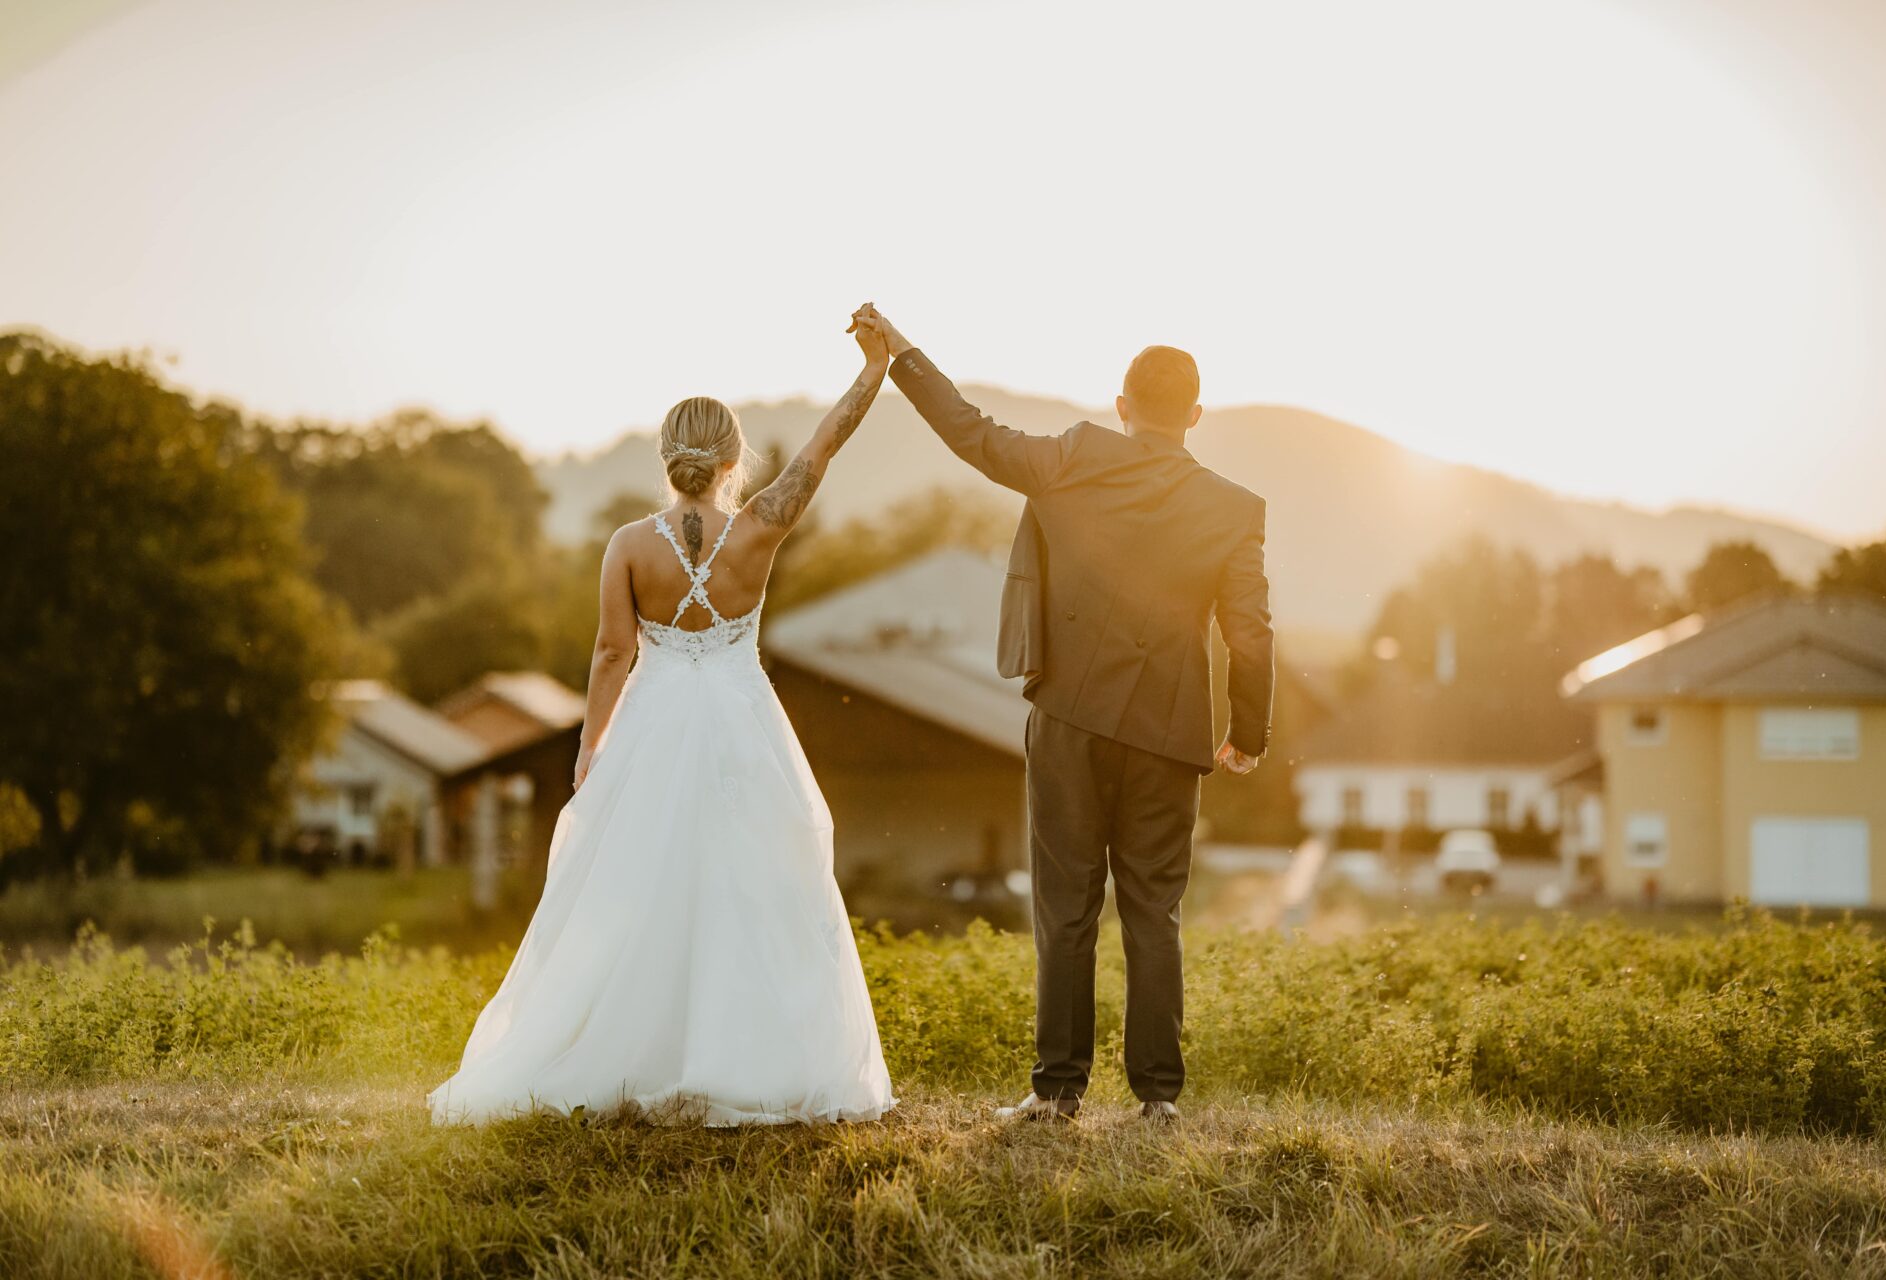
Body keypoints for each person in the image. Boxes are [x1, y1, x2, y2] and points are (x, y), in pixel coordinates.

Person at [428, 314, 897, 1126]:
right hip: (745, 728)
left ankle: (635, 1053)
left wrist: (590, 753)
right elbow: (821, 451)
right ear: (730, 460)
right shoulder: (760, 527)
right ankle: (750, 1061)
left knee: (638, 890)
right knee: (756, 886)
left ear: (667, 459)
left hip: (655, 728)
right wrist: (873, 372)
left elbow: (613, 656)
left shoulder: (626, 545)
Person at [852, 305, 1274, 1123]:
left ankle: (1057, 1092)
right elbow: (1250, 632)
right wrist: (1247, 732)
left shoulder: (1074, 458)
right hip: (1169, 730)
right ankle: (1158, 1100)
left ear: (1122, 404)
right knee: (1155, 911)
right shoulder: (1235, 508)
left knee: (1065, 907)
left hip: (1070, 721)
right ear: (1194, 416)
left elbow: (972, 432)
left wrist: (900, 353)